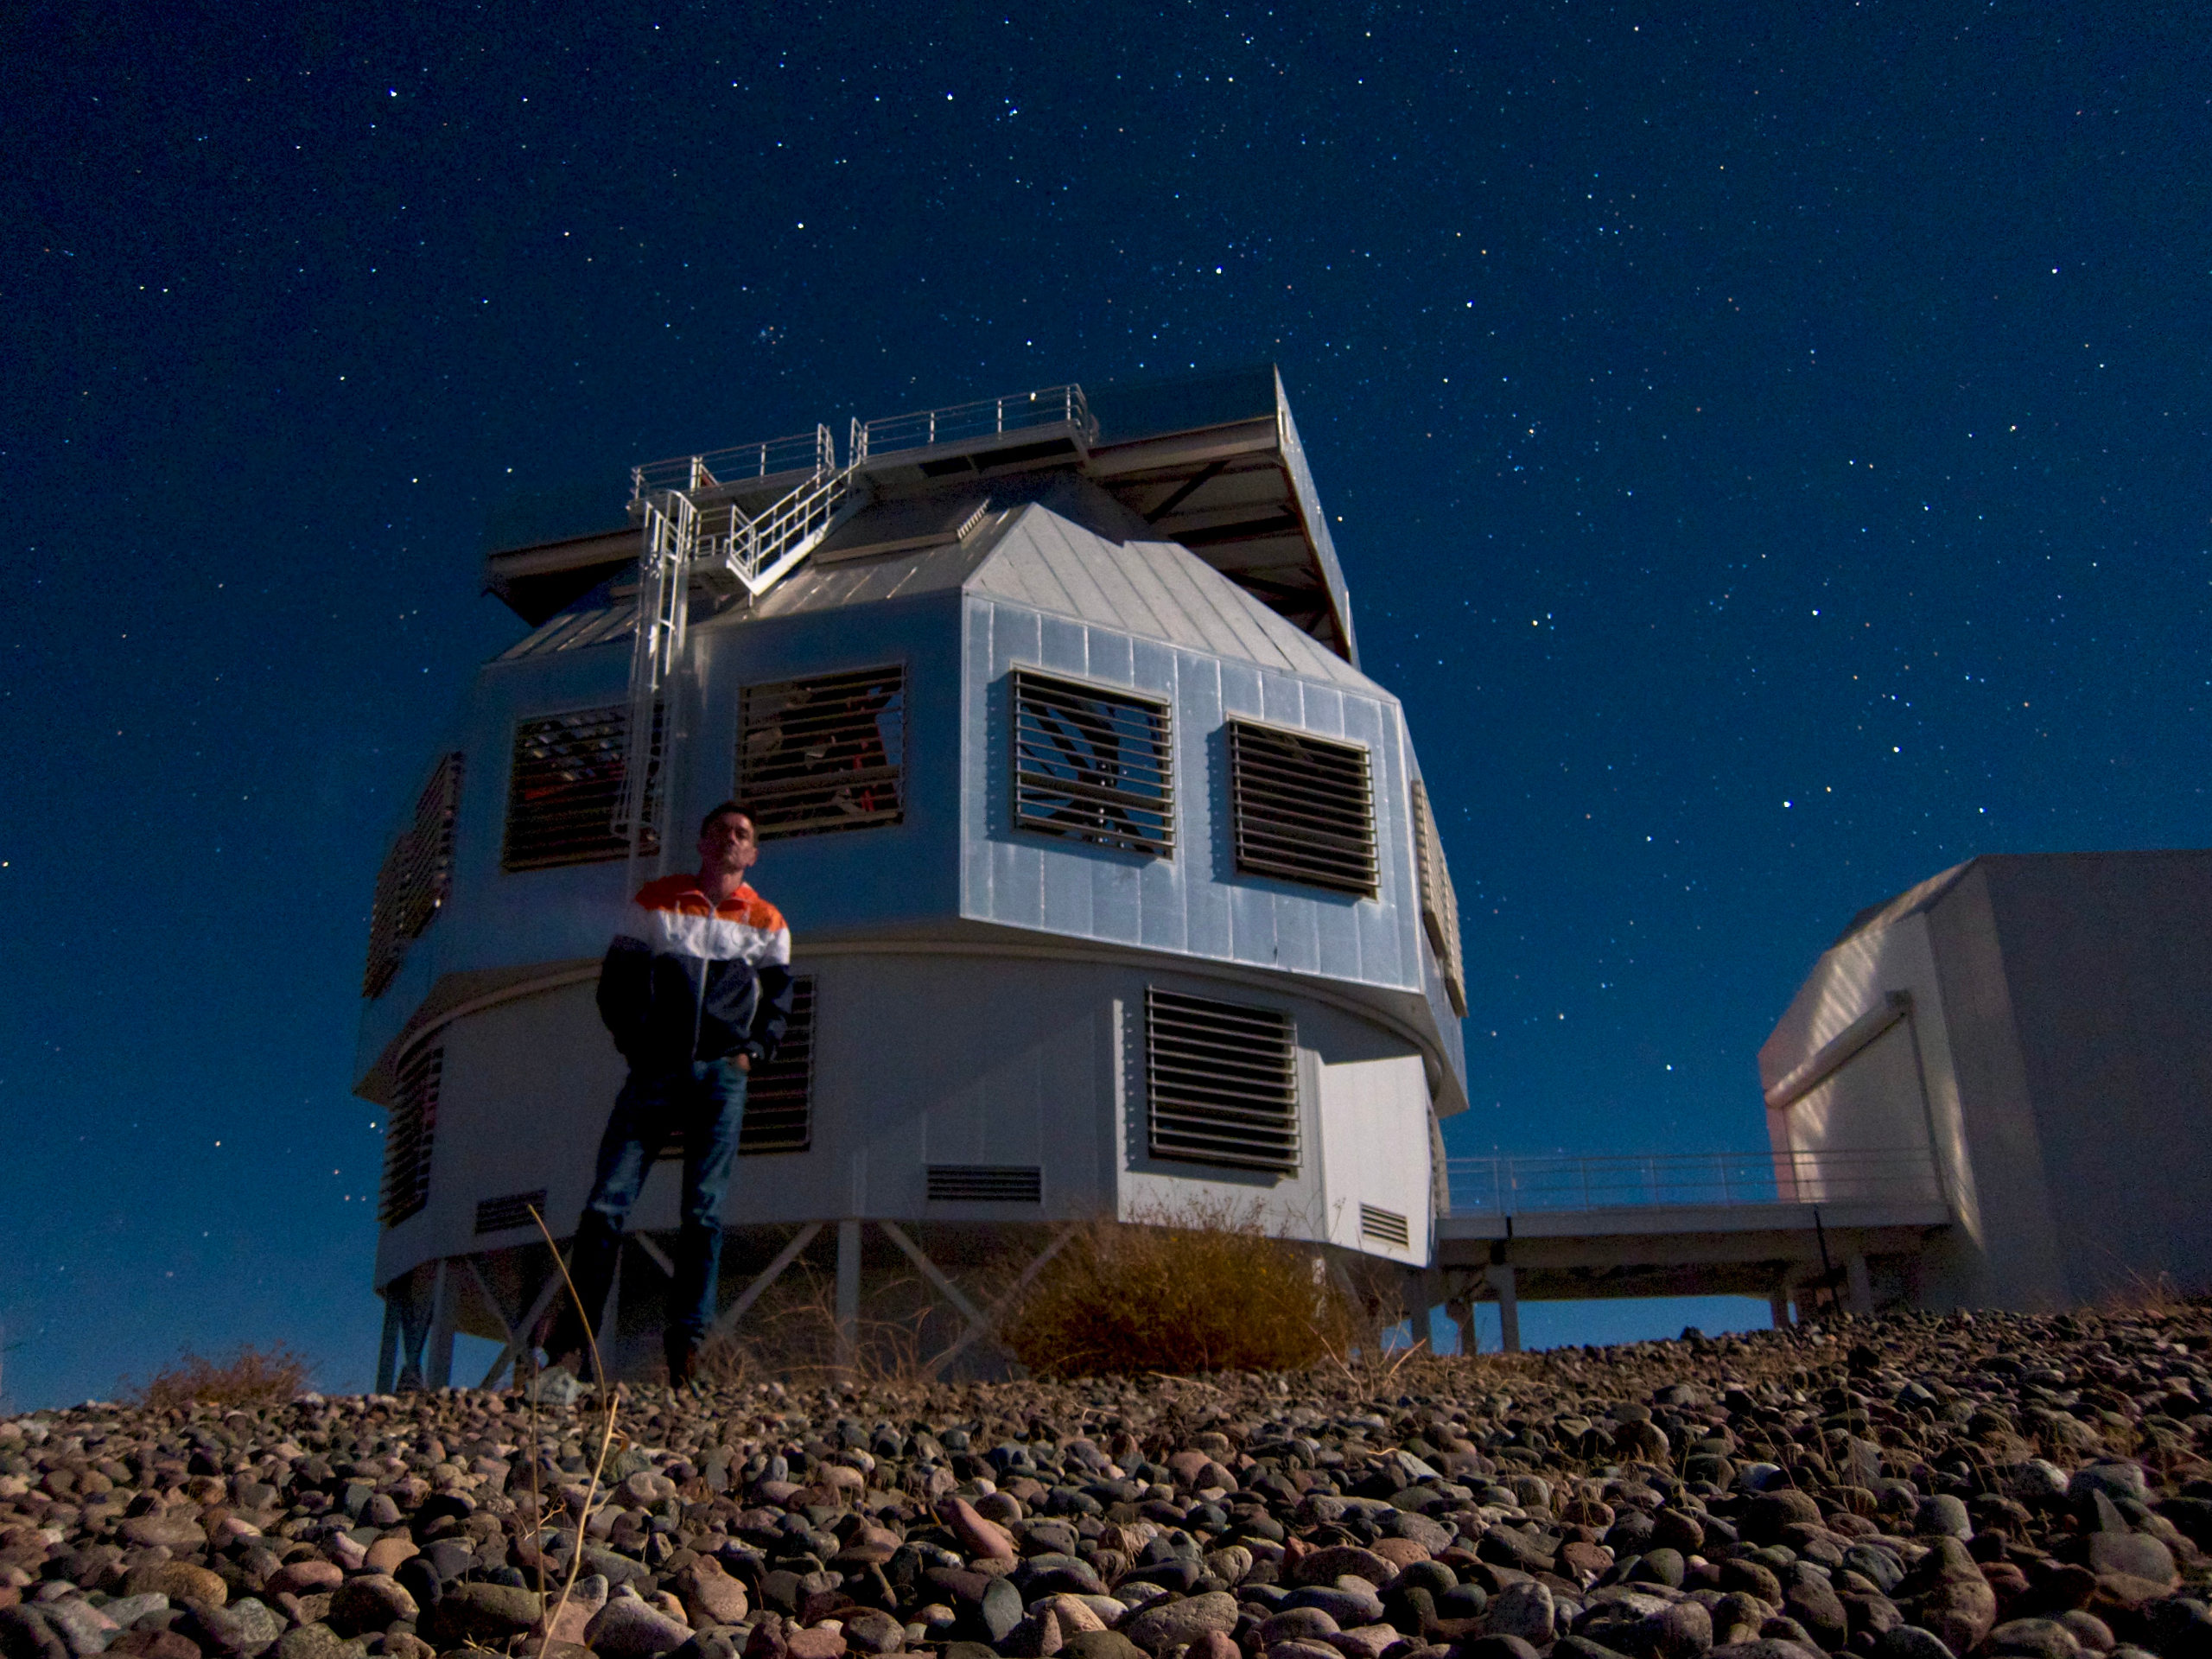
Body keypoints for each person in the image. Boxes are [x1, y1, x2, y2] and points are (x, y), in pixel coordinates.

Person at [543, 802, 793, 1387]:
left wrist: (753, 1053)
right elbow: (617, 981)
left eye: (742, 834)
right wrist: (638, 1042)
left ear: (753, 854)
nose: (731, 839)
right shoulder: (657, 902)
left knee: (703, 1214)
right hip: (655, 1072)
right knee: (606, 1204)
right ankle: (573, 1342)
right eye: (720, 831)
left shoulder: (768, 921)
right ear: (702, 843)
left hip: (721, 1076)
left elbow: (780, 999)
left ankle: (685, 1351)